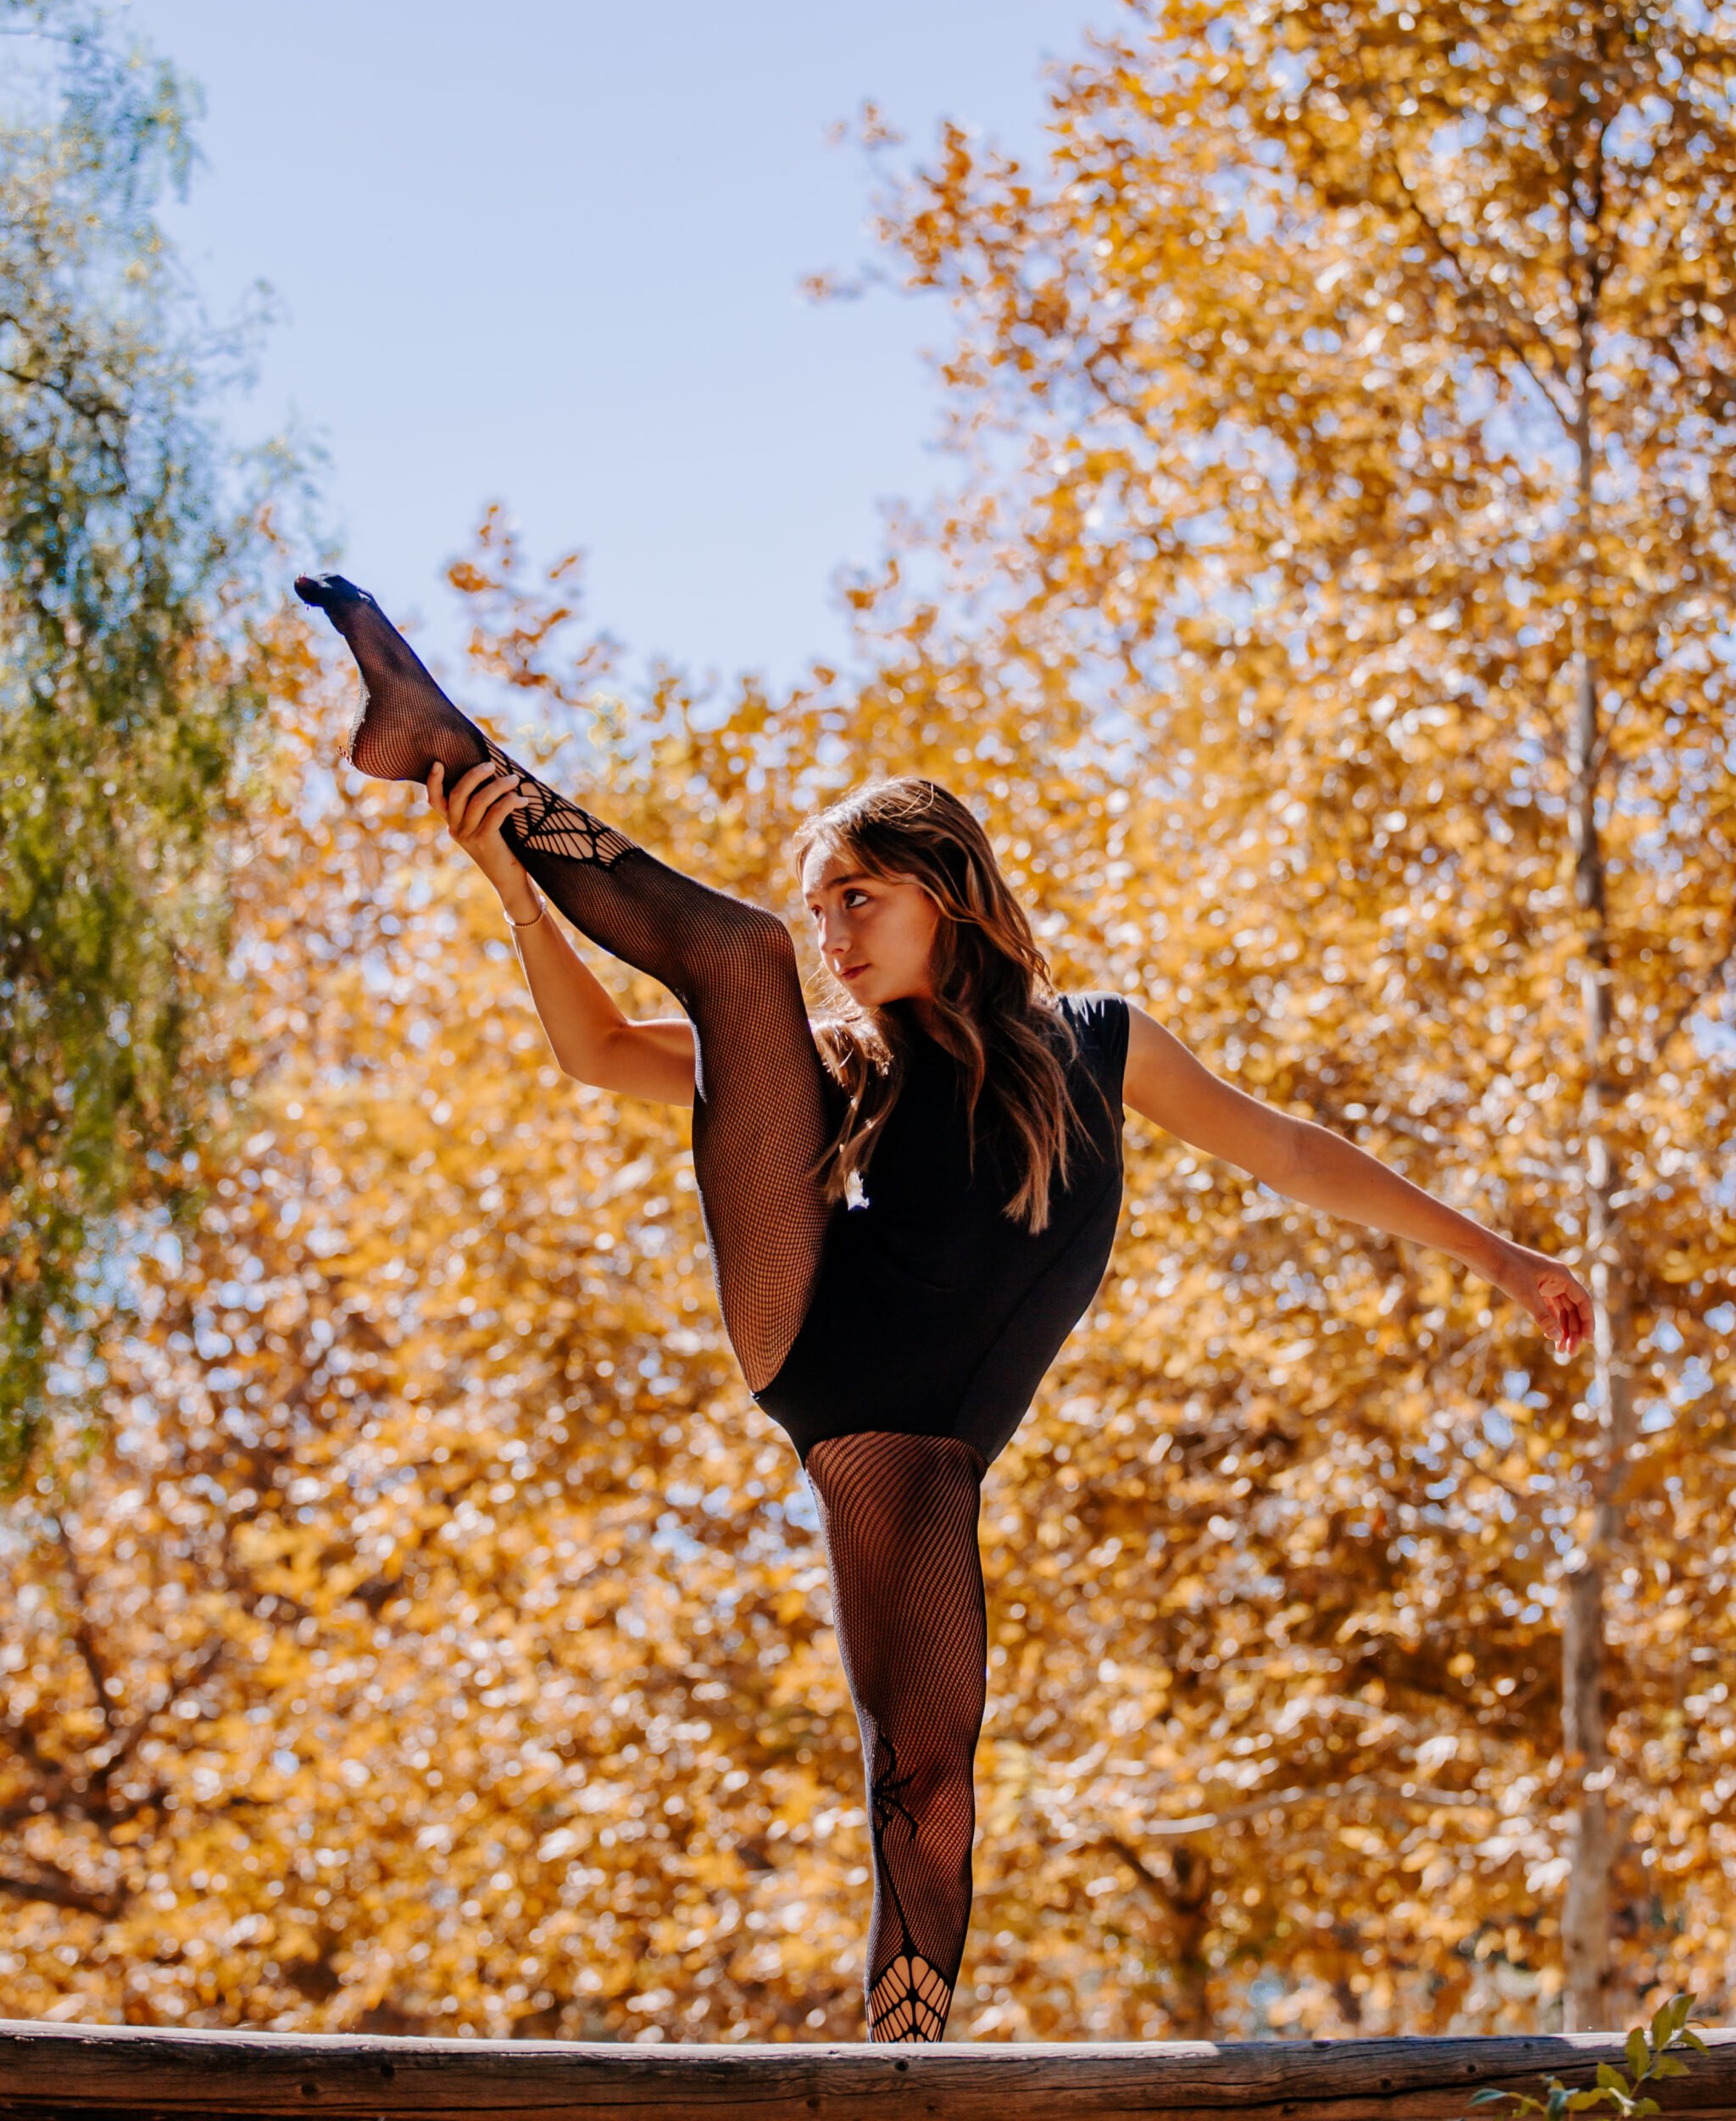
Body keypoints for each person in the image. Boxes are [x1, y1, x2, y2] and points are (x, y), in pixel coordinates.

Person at [295, 571, 1594, 2046]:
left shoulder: (1098, 1044)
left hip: (918, 1454)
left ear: (949, 896)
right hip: (822, 1333)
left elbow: (1287, 1149)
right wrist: (516, 898)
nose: (837, 930)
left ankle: (900, 2068)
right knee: (743, 968)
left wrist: (1502, 1259)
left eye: (863, 899)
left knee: (929, 1776)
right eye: (825, 902)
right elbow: (598, 1051)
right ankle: (441, 741)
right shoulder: (834, 1058)